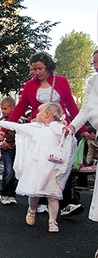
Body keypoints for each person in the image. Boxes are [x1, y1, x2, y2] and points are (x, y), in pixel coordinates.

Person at [2, 52, 87, 217]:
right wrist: (5, 130)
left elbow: (71, 105)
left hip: (60, 129)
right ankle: (41, 201)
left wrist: (81, 129)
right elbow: (19, 108)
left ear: (48, 67)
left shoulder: (61, 81)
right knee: (41, 164)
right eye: (34, 69)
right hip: (39, 129)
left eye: (40, 68)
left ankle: (66, 202)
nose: (37, 72)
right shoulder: (29, 85)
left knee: (61, 163)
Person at [0, 102, 75, 233]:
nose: (36, 115)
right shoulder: (36, 129)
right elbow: (16, 127)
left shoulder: (60, 129)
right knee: (34, 192)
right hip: (37, 166)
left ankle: (52, 221)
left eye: (39, 112)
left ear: (46, 114)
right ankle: (32, 210)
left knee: (53, 195)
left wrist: (67, 133)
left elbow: (69, 141)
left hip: (53, 167)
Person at [67, 49, 98, 223]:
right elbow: (86, 109)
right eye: (94, 62)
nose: (96, 67)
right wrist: (73, 126)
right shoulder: (93, 81)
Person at [0, 97, 19, 205]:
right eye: (2, 109)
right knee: (8, 170)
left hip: (17, 148)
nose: (3, 111)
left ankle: (12, 194)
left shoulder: (19, 121)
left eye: (5, 108)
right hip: (6, 148)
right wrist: (2, 142)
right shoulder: (0, 122)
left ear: (13, 108)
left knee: (16, 171)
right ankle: (4, 193)